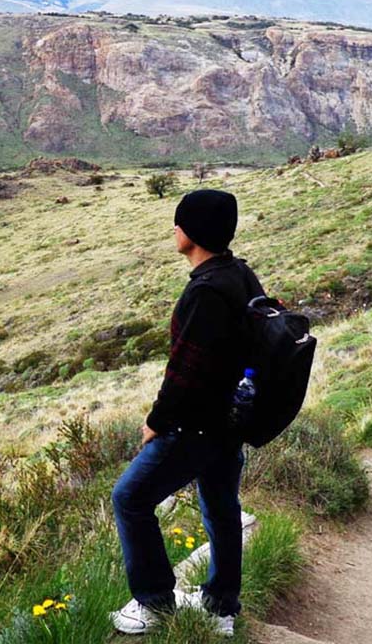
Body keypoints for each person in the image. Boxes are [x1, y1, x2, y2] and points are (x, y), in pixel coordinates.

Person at [109, 188, 262, 637]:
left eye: (178, 223)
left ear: (191, 233)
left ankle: (154, 603)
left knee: (130, 498)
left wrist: (155, 422)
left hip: (197, 425)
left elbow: (186, 370)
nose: (173, 230)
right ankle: (220, 610)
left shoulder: (206, 292)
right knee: (220, 506)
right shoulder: (239, 274)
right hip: (231, 421)